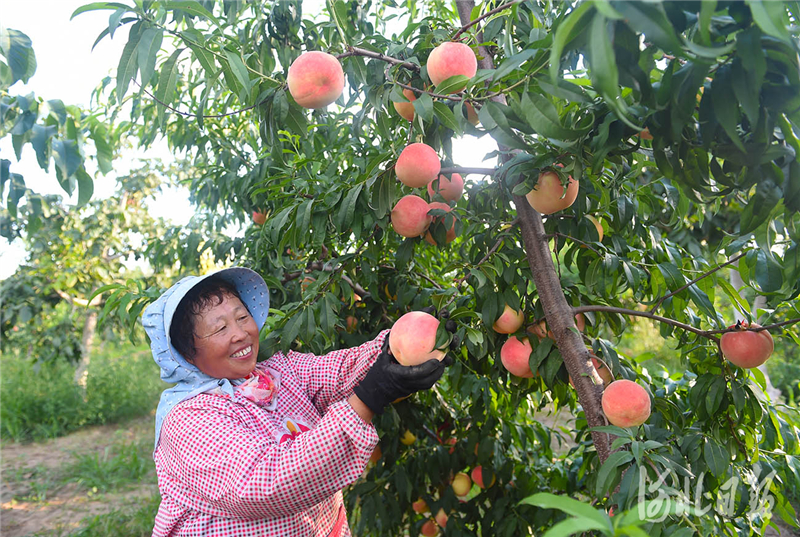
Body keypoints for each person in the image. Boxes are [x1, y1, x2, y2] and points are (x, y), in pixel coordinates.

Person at [142, 267, 454, 536]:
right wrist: (369, 397)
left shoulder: (277, 373)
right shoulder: (188, 420)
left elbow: (339, 371)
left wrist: (395, 347)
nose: (241, 333)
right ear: (186, 353)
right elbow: (265, 484)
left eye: (242, 317)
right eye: (220, 328)